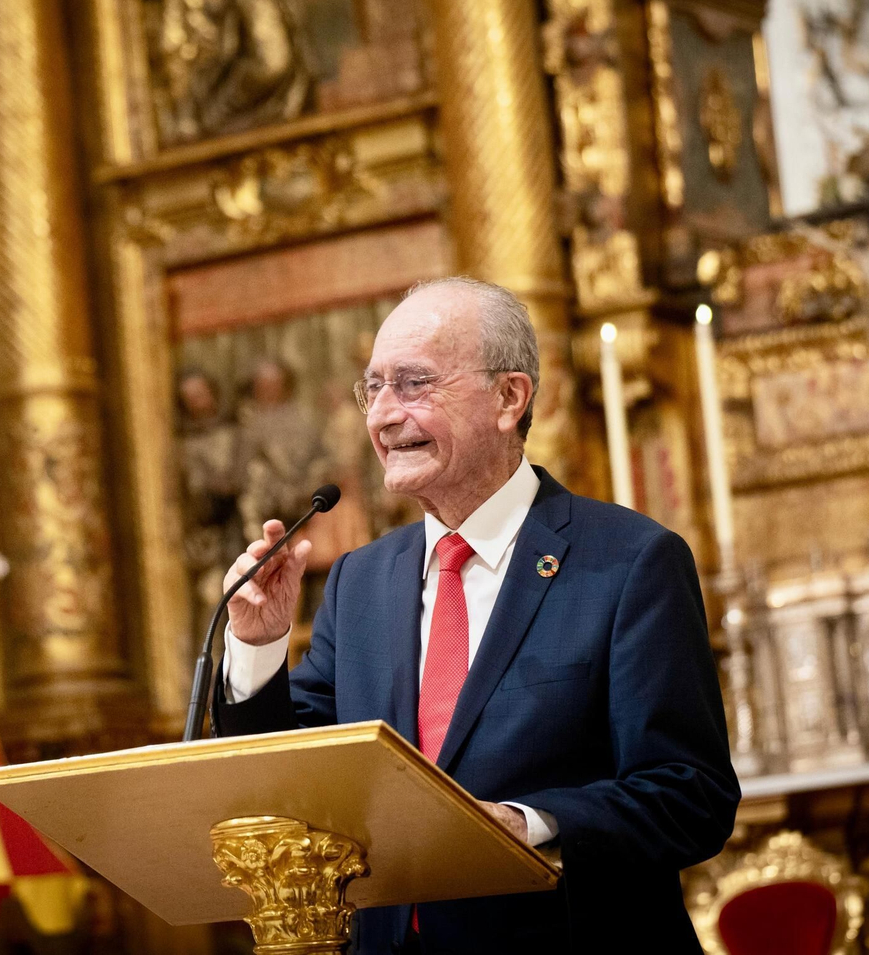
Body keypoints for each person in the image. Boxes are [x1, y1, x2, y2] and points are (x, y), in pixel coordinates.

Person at [212, 277, 739, 954]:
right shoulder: (359, 581)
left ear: (508, 397)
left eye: (414, 383)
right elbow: (291, 778)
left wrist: (528, 824)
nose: (382, 414)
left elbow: (689, 794)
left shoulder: (631, 562)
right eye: (372, 387)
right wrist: (257, 648)